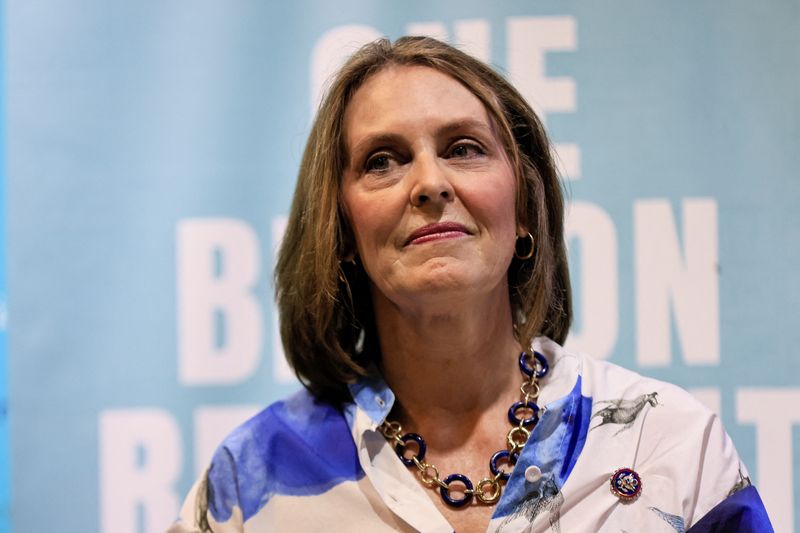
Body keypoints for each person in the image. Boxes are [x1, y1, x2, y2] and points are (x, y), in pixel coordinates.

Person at [169, 36, 772, 532]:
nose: (429, 183)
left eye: (464, 148)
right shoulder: (251, 486)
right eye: (383, 160)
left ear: (526, 208)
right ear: (342, 230)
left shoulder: (669, 446)